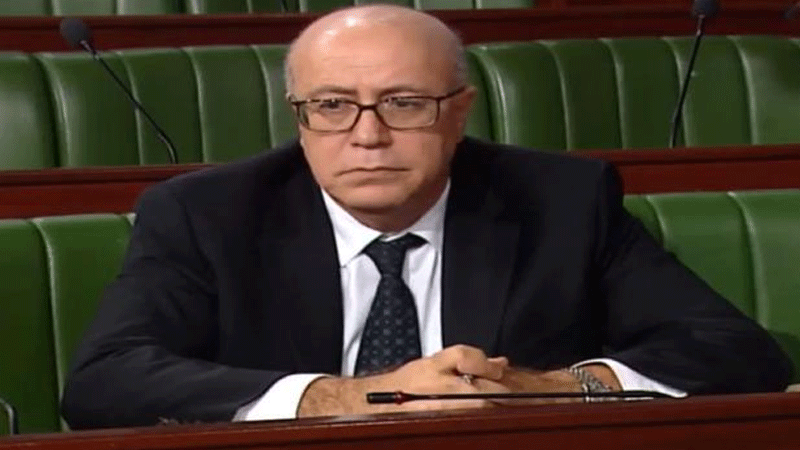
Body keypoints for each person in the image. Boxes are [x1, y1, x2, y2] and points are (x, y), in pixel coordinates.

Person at [61, 5, 792, 429]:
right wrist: (347, 398)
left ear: (460, 111)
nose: (368, 135)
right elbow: (105, 381)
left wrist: (541, 389)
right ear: (299, 116)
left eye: (405, 103)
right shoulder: (206, 214)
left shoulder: (562, 201)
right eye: (332, 105)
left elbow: (733, 350)